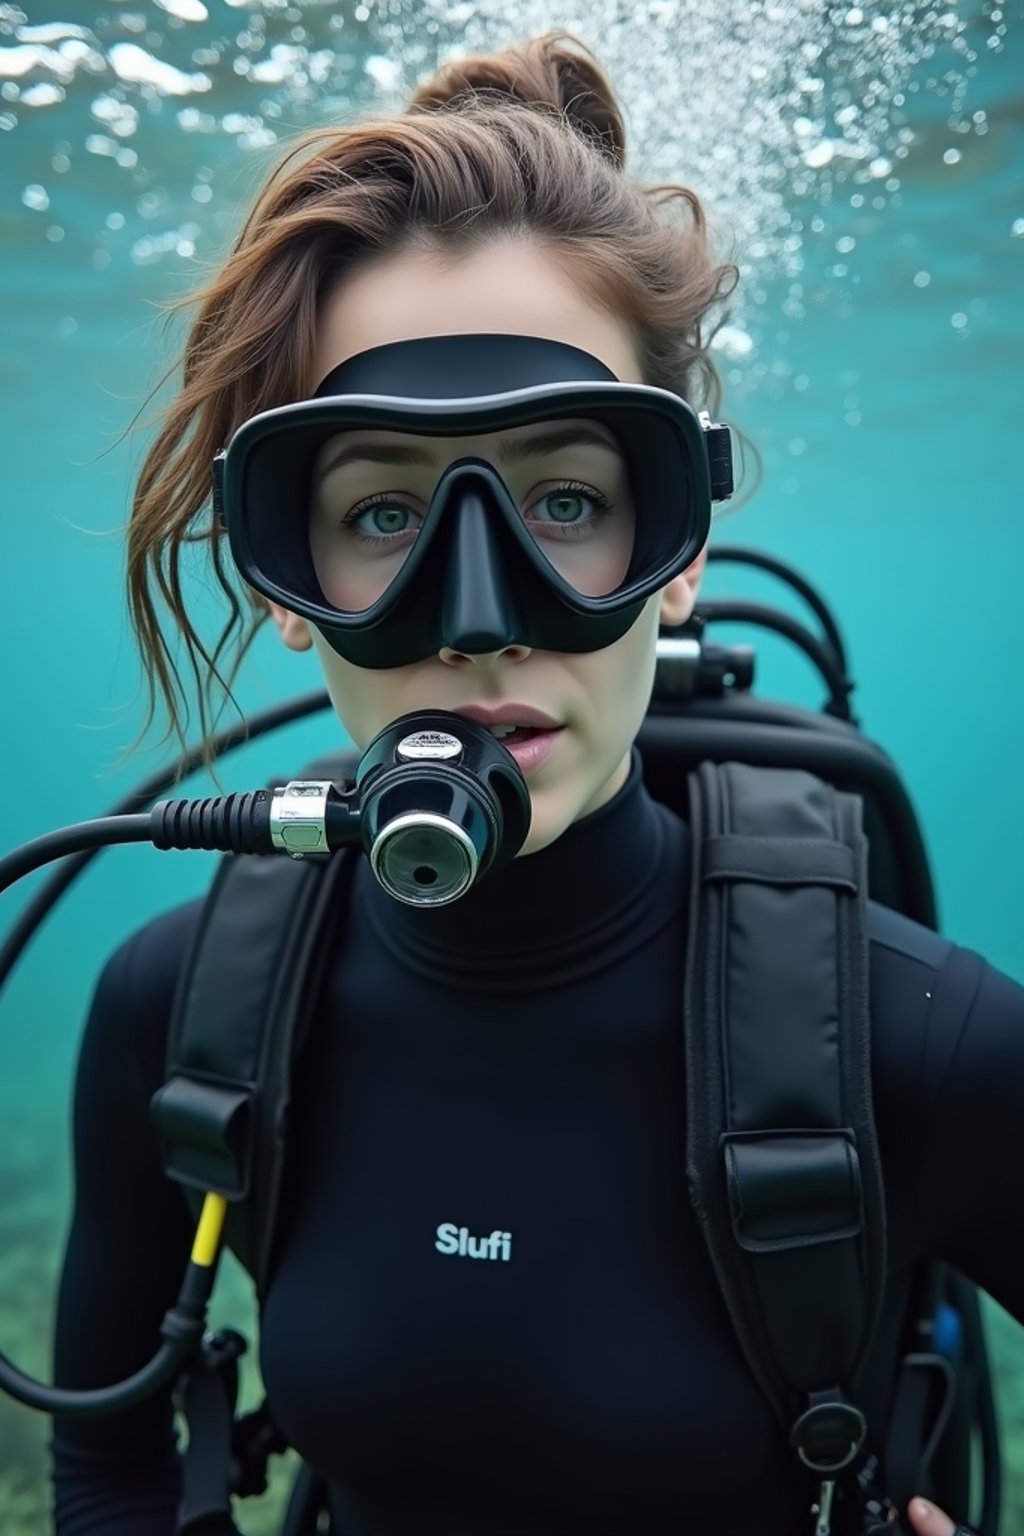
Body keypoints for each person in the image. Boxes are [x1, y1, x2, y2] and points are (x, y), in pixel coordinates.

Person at [47, 30, 1022, 1536]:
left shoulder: (921, 1042)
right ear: (285, 579)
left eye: (568, 498)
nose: (477, 611)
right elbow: (104, 1458)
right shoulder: (177, 1018)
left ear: (680, 547)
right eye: (381, 512)